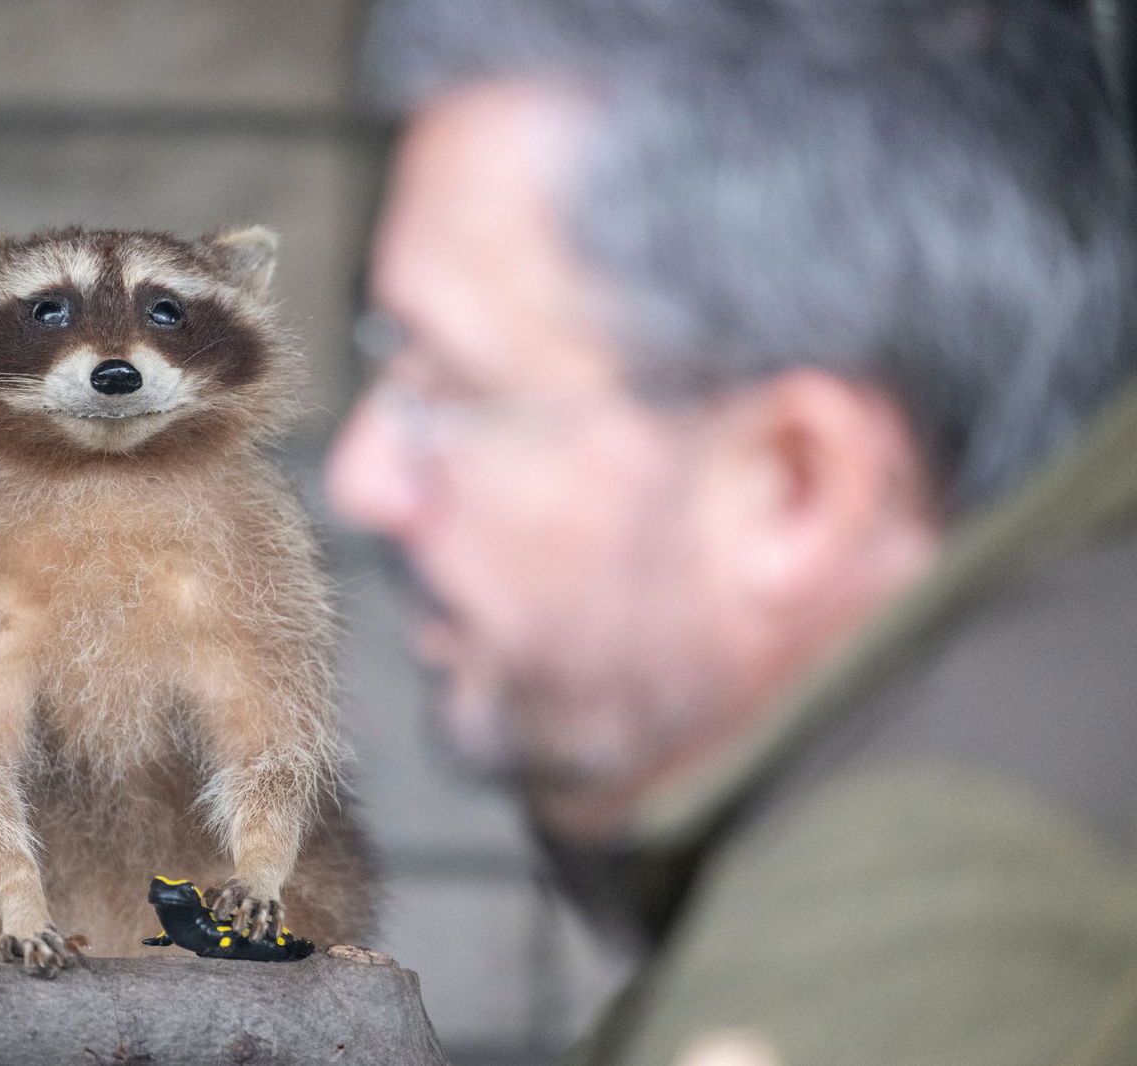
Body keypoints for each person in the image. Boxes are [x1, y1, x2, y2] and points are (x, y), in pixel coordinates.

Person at [325, 1, 1137, 1063]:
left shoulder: (933, 921)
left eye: (453, 393)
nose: (362, 481)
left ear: (794, 484)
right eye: (385, 354)